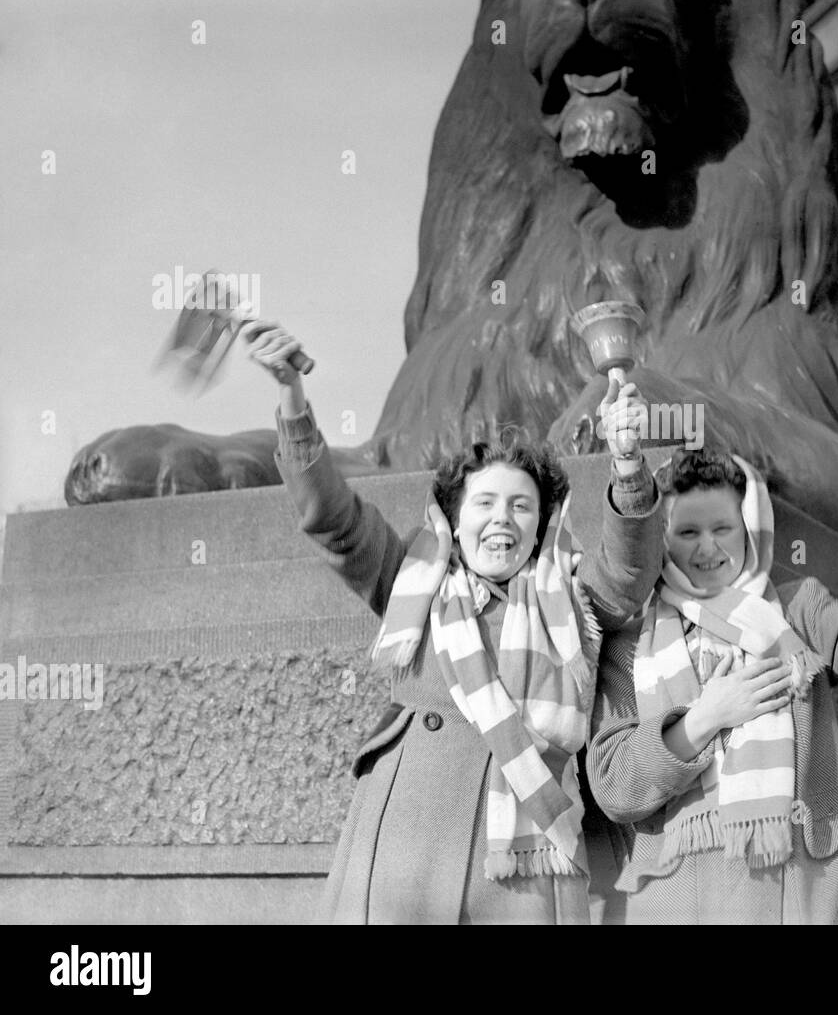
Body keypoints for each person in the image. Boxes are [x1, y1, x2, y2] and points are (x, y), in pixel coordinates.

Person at [244, 319, 663, 924]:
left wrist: (627, 467)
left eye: (522, 505)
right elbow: (331, 517)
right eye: (485, 503)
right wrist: (290, 395)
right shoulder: (411, 580)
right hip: (401, 851)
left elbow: (628, 574)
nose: (503, 519)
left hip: (523, 875)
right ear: (454, 521)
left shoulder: (572, 602)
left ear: (541, 526)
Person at [585, 444, 838, 924]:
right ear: (662, 540)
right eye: (687, 531)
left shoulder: (796, 613)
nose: (707, 547)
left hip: (800, 896)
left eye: (722, 528)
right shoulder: (629, 644)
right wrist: (705, 718)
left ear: (751, 529)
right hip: (681, 903)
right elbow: (615, 787)